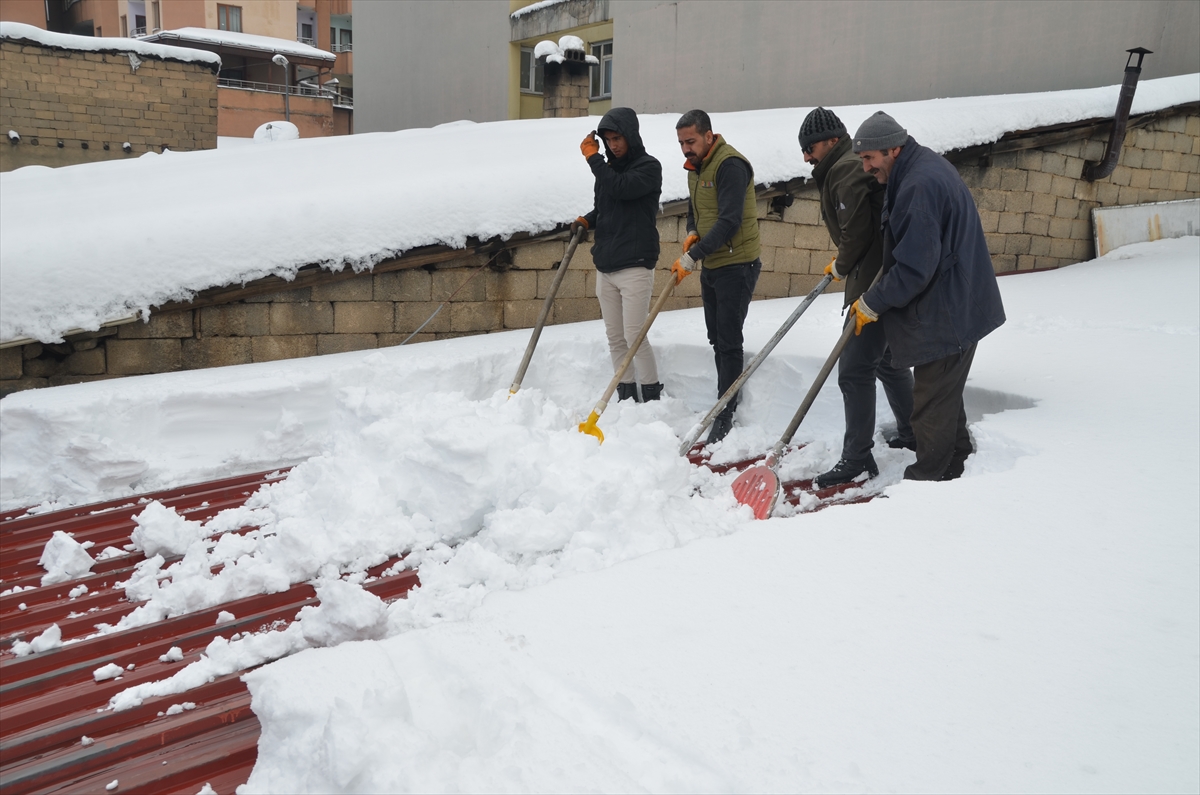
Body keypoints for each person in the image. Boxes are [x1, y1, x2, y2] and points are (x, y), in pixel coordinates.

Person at [849, 111, 1006, 481]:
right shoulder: (921, 168)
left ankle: (929, 480)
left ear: (893, 149)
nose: (866, 167)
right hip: (956, 303)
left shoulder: (918, 186)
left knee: (931, 405)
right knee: (944, 397)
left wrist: (873, 302)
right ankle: (957, 463)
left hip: (946, 312)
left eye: (870, 158)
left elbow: (914, 268)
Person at [799, 107, 916, 489]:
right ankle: (912, 432)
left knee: (853, 369)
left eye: (810, 147)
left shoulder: (845, 169)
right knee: (886, 363)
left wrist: (844, 263)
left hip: (872, 280)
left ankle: (858, 458)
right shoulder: (846, 165)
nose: (806, 156)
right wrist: (842, 263)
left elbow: (858, 232)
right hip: (877, 271)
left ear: (832, 140)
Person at [671, 109, 762, 443]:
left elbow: (729, 220)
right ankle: (724, 396)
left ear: (709, 135)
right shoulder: (696, 167)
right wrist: (693, 231)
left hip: (737, 264)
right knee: (716, 336)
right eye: (681, 142)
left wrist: (693, 255)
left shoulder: (730, 165)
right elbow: (695, 210)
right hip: (713, 262)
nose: (685, 148)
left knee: (728, 339)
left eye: (691, 141)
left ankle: (726, 411)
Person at [574, 107, 664, 402]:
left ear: (631, 136)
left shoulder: (649, 167)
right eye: (608, 139)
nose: (613, 145)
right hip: (607, 265)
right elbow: (606, 205)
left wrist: (593, 158)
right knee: (615, 337)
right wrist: (589, 220)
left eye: (618, 138)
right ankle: (625, 393)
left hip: (635, 265)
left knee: (634, 336)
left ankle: (651, 395)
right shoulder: (608, 170)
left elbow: (623, 189)